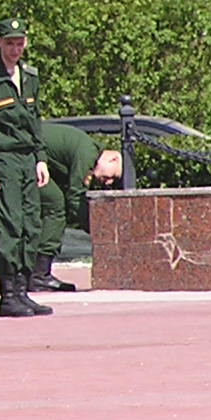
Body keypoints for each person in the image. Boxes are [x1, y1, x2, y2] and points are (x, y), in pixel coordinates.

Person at [0, 16, 52, 317]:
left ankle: (22, 289)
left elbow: (35, 120)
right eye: (10, 43)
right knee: (10, 226)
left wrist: (40, 157)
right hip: (3, 160)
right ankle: (7, 295)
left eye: (20, 43)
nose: (15, 49)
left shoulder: (29, 76)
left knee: (31, 225)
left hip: (28, 159)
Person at [35, 120, 124, 292]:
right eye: (113, 175)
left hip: (32, 157)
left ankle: (36, 271)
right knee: (55, 205)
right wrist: (96, 228)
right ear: (113, 158)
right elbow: (75, 197)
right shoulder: (87, 154)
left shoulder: (87, 149)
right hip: (28, 159)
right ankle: (39, 274)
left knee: (53, 206)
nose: (108, 182)